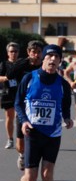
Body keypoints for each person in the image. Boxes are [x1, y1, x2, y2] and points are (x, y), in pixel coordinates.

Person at [13, 44, 73, 181]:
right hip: (33, 132)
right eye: (50, 56)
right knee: (30, 177)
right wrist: (24, 121)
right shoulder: (29, 78)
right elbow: (18, 103)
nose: (53, 59)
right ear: (43, 59)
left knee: (47, 174)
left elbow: (65, 105)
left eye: (57, 57)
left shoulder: (62, 84)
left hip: (53, 134)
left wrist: (68, 118)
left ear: (60, 61)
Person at [7, 40, 43, 169]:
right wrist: (23, 62)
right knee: (20, 143)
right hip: (22, 105)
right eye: (33, 52)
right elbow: (9, 75)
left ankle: (32, 164)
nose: (36, 55)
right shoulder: (22, 64)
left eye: (39, 52)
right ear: (29, 52)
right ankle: (22, 155)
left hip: (39, 106)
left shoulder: (44, 66)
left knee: (36, 139)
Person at [0, 42, 20, 149]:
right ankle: (10, 139)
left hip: (20, 93)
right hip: (7, 93)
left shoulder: (21, 64)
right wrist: (7, 78)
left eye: (16, 51)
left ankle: (20, 140)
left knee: (20, 117)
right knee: (9, 117)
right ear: (8, 53)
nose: (14, 53)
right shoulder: (4, 64)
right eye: (11, 51)